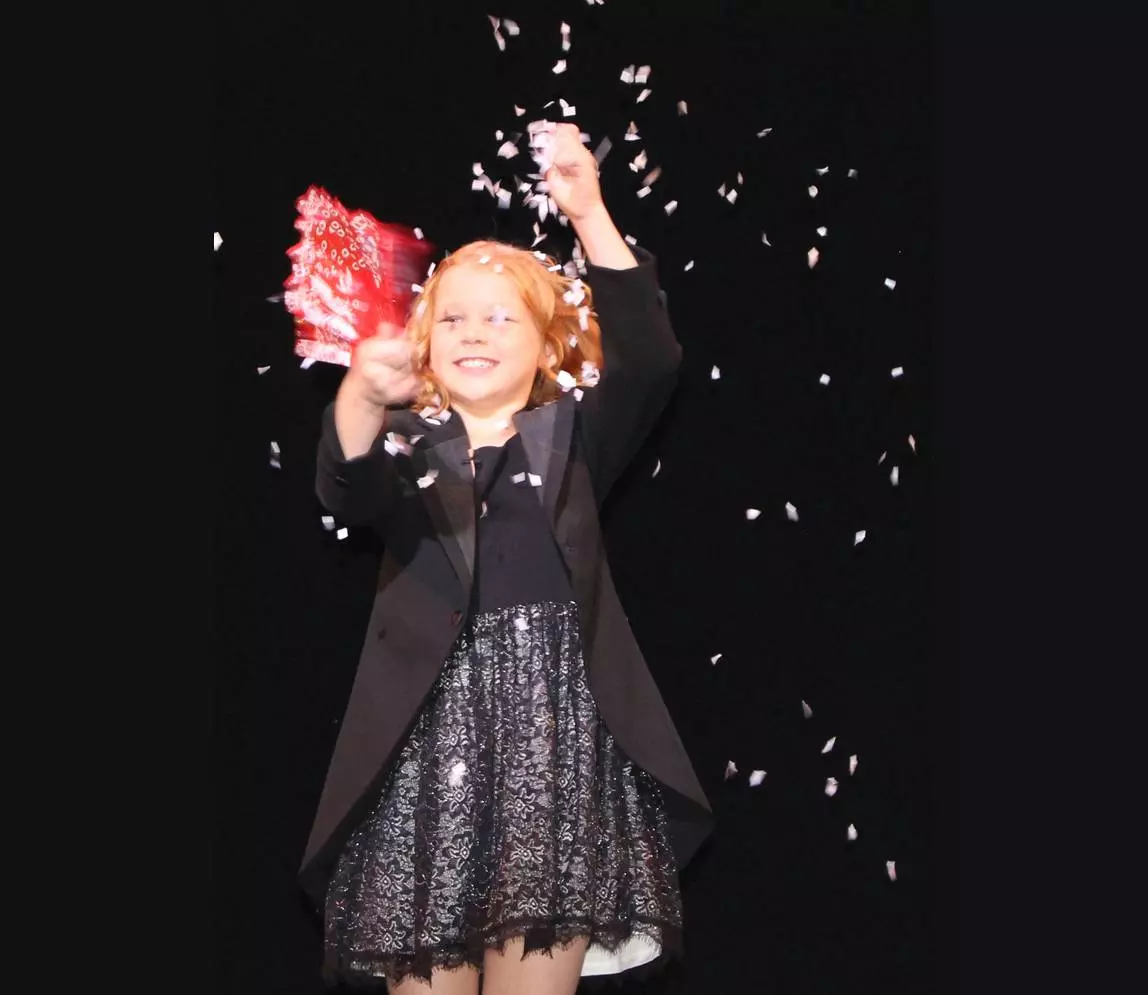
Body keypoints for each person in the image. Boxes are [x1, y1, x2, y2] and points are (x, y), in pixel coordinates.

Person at [301, 123, 714, 994]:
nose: (473, 331)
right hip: (429, 747)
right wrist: (361, 396)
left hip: (552, 739)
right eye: (451, 316)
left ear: (551, 344)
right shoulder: (412, 444)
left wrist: (590, 209)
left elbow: (649, 357)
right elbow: (347, 486)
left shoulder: (572, 435)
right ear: (423, 347)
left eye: (501, 316)